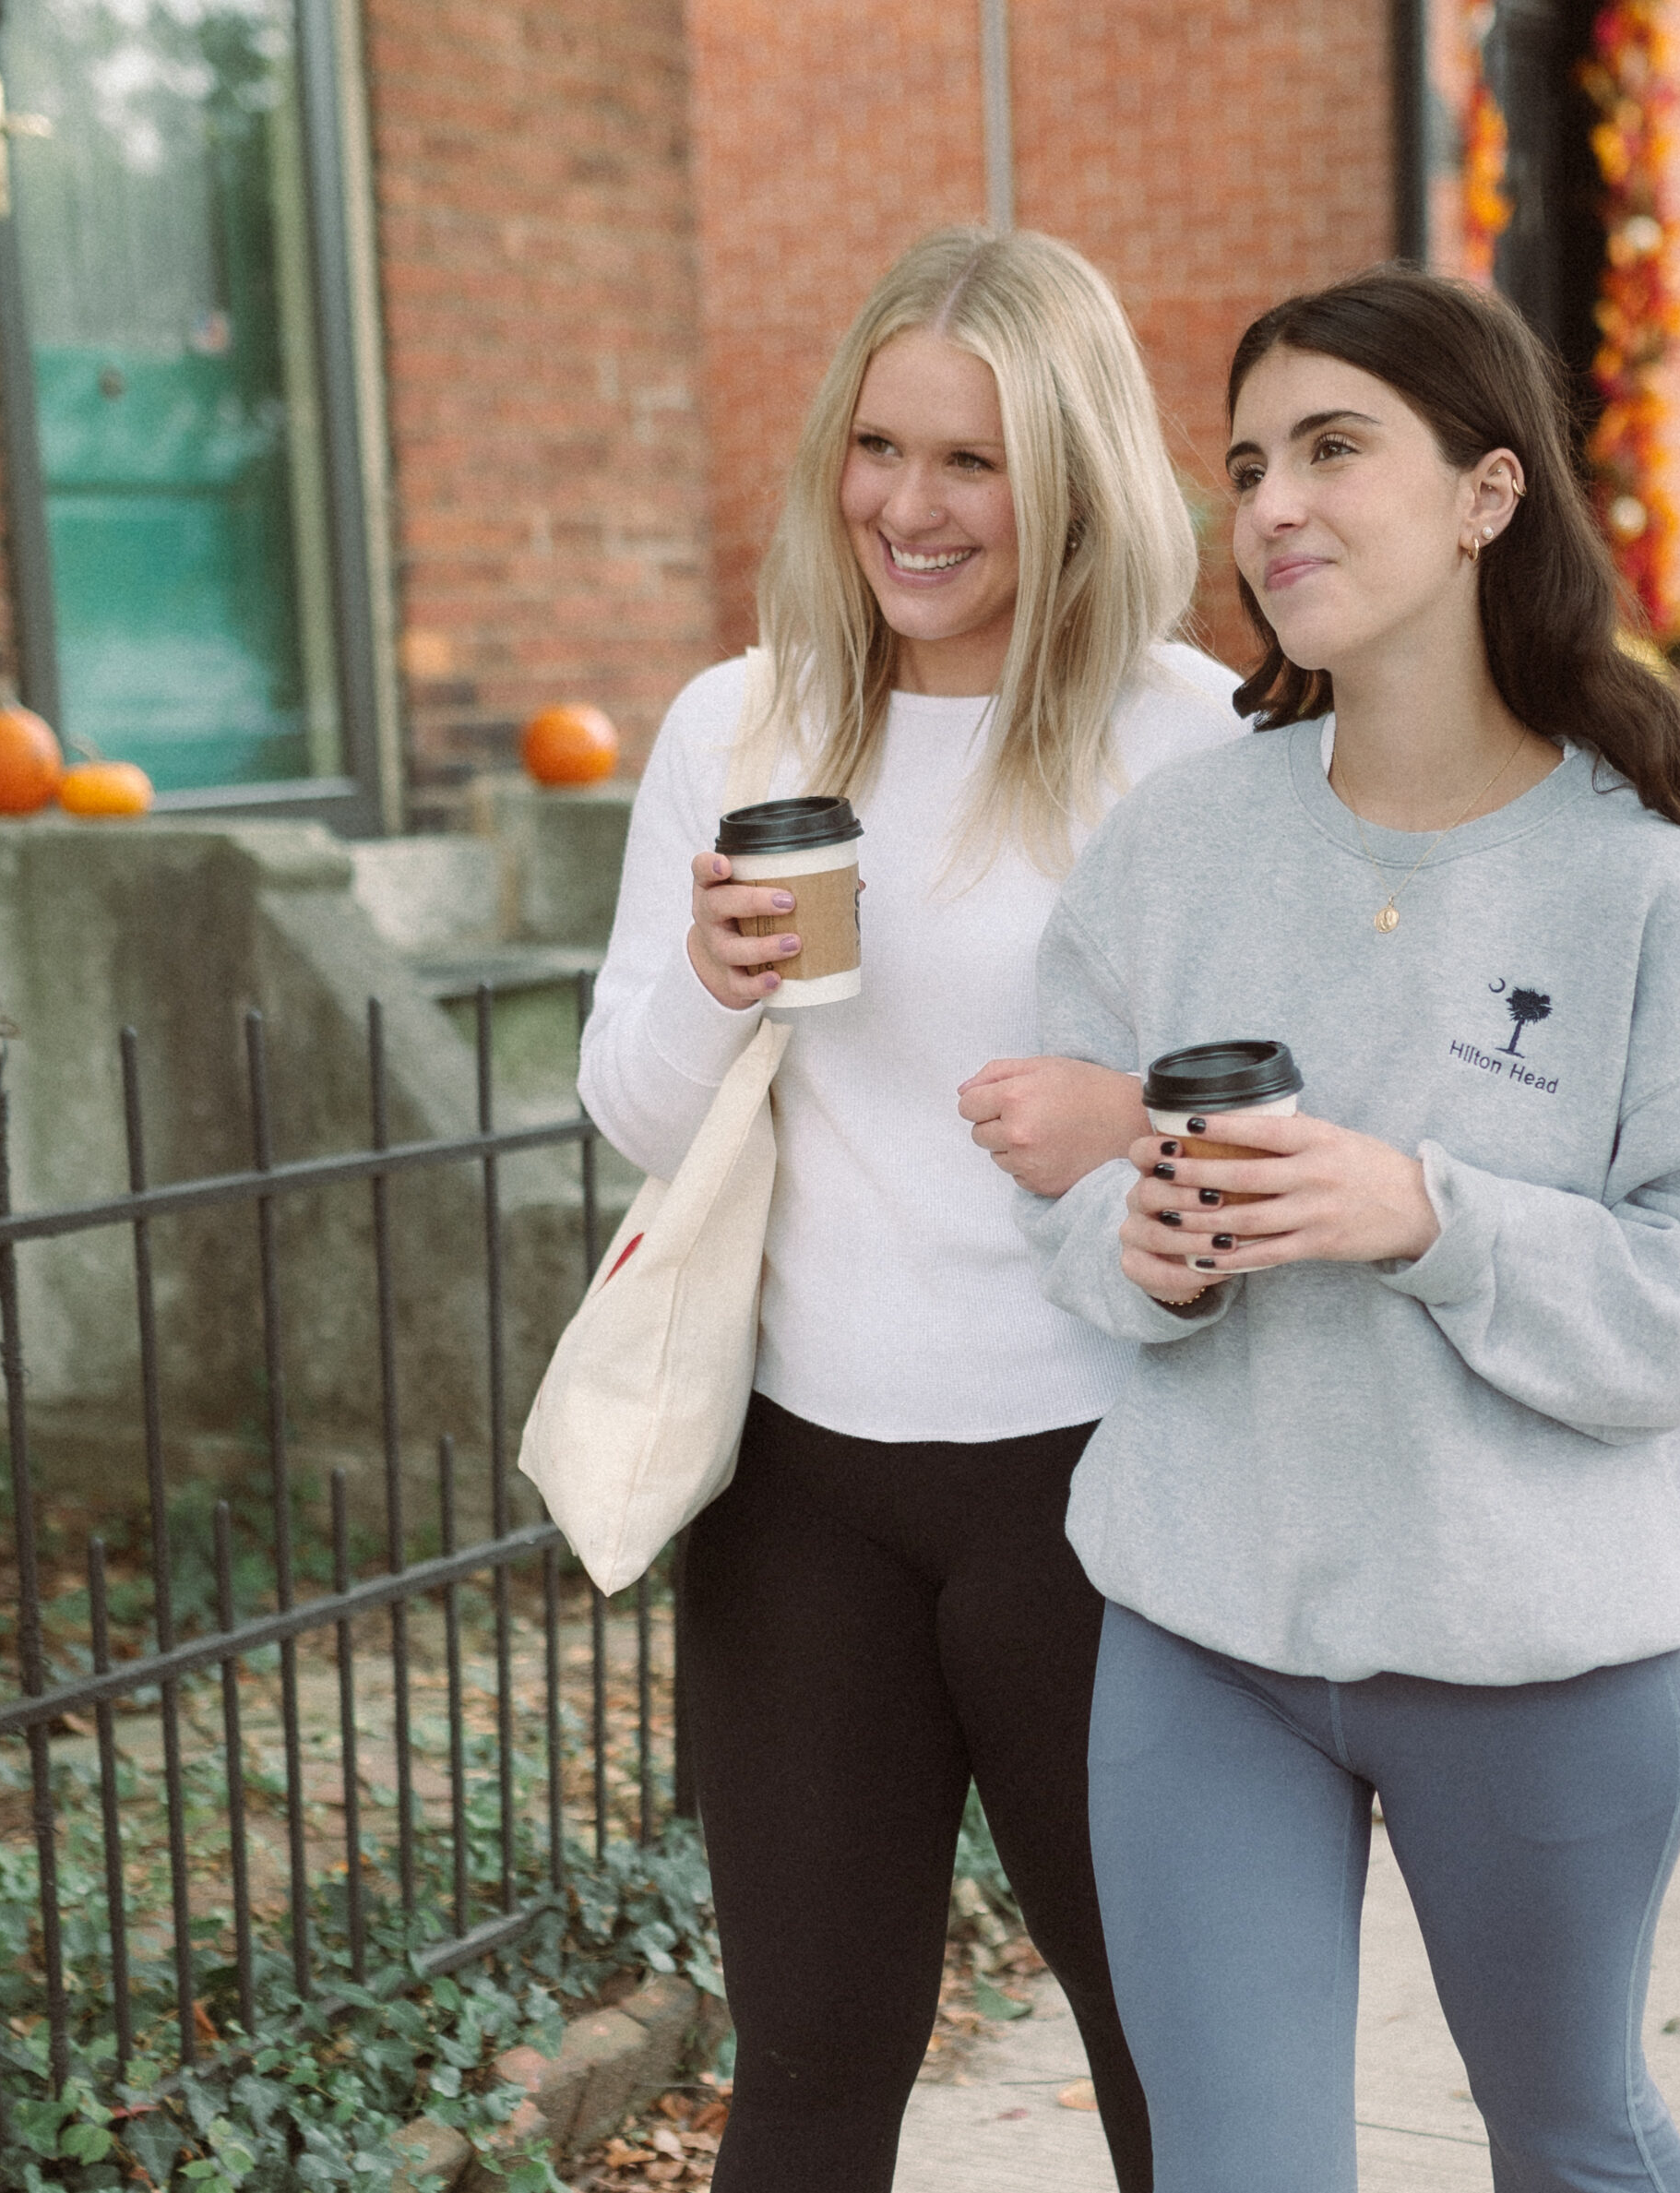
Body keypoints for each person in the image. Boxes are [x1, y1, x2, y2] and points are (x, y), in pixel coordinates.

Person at [1017, 265, 1680, 2190]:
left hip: (1534, 1649)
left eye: (1330, 448)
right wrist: (1140, 1248)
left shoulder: (1648, 898)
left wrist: (1420, 1214)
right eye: (1244, 464)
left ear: (1484, 493)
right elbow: (1068, 1204)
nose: (1272, 503)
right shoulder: (1173, 843)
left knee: (1568, 2136)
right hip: (1201, 1633)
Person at [578, 225, 1238, 2191]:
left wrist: (1128, 1121)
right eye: (880, 447)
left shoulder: (1186, 739)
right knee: (811, 2056)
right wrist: (707, 976)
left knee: (1171, 2045)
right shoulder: (742, 725)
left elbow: (1274, 1119)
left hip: (1101, 1484)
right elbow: (629, 1107)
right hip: (802, 1492)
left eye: (973, 462)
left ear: (1073, 479)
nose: (909, 507)